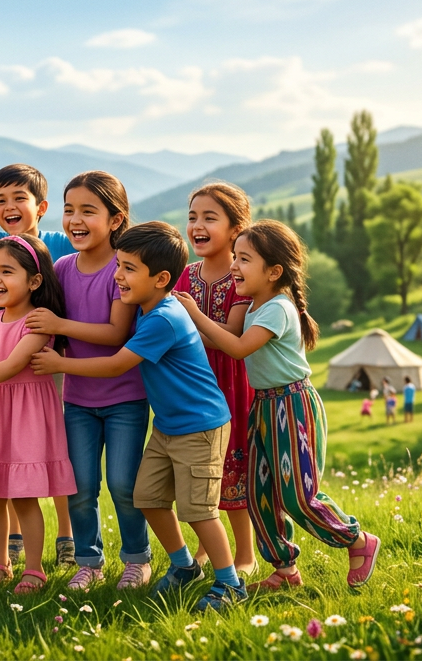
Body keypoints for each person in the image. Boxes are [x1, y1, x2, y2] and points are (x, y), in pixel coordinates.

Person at [35, 222, 240, 611]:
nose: (118, 276)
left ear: (161, 278)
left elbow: (116, 365)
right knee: (146, 496)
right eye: (119, 265)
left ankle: (229, 583)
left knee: (198, 511)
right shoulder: (150, 310)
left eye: (128, 269)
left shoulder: (162, 318)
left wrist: (60, 363)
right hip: (169, 427)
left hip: (200, 427)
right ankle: (182, 566)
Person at [173, 220, 380, 594]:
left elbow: (235, 348)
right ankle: (284, 571)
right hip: (264, 407)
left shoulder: (278, 308)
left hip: (292, 405)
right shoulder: (255, 305)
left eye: (244, 259)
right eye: (234, 257)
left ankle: (357, 541)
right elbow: (221, 341)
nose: (234, 265)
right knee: (259, 494)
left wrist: (195, 315)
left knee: (298, 496)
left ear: (274, 271)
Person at [26, 171, 153, 592]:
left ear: (116, 220)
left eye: (87, 211)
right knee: (79, 486)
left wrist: (61, 325)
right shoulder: (61, 268)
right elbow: (36, 311)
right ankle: (89, 562)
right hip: (77, 401)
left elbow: (117, 334)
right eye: (68, 210)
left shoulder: (123, 269)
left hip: (125, 398)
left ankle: (137, 560)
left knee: (122, 484)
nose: (74, 219)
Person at [0, 159, 78, 564]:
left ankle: (65, 534)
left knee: (46, 452)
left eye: (18, 198)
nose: (8, 206)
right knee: (5, 456)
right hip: (7, 357)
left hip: (48, 358)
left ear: (40, 207)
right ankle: (8, 544)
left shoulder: (59, 244)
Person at [177, 183, 257, 577]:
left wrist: (191, 316)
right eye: (193, 217)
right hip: (191, 384)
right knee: (199, 473)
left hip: (230, 384)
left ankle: (245, 552)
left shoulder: (241, 276)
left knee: (232, 467)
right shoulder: (184, 276)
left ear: (235, 226)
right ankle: (207, 546)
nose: (198, 225)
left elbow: (233, 336)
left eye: (210, 217)